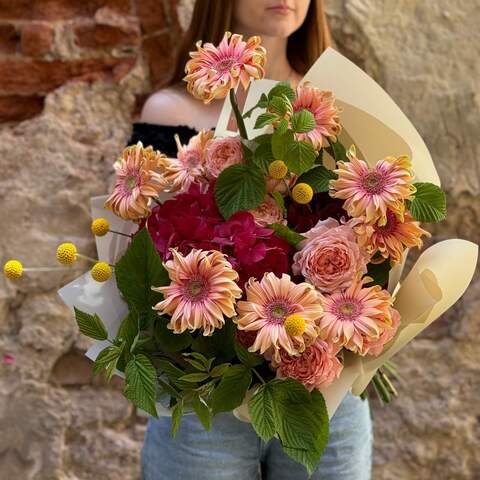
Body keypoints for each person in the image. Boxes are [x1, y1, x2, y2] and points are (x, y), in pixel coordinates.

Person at [134, 1, 373, 479]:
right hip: (206, 396)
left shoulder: (336, 106)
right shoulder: (172, 110)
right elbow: (141, 248)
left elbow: (376, 234)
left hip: (324, 387)